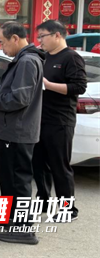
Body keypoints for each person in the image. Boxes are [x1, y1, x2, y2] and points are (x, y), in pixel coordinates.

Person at [0, 21, 44, 245]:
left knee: (18, 181)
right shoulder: (24, 60)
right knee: (9, 179)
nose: (1, 47)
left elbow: (19, 99)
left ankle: (23, 229)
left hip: (18, 131)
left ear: (15, 38)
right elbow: (15, 94)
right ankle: (10, 220)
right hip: (13, 130)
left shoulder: (27, 61)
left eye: (2, 42)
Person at [33, 20, 86, 221]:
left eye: (42, 36)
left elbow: (79, 87)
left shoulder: (71, 58)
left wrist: (48, 85)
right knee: (38, 165)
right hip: (40, 119)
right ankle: (43, 202)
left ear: (57, 35)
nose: (40, 40)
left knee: (59, 167)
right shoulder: (43, 57)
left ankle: (68, 210)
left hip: (60, 121)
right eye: (38, 37)